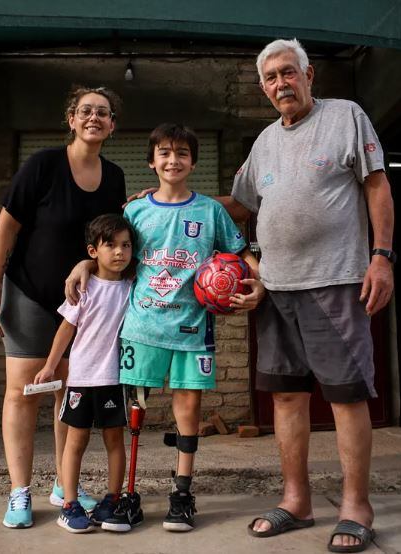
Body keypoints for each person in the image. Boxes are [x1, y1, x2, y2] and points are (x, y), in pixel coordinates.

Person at [220, 39, 394, 553]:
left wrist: (382, 256)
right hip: (275, 289)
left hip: (335, 281)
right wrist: (174, 199)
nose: (280, 84)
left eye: (287, 73)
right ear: (263, 88)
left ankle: (356, 506)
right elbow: (240, 204)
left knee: (345, 396)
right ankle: (296, 500)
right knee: (287, 395)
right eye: (271, 78)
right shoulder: (264, 143)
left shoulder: (346, 117)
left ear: (308, 74)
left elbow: (378, 186)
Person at [66, 123, 265, 533]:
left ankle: (181, 495)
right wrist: (85, 263)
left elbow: (241, 253)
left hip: (193, 329)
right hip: (142, 328)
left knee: (188, 410)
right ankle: (128, 496)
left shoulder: (210, 211)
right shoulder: (135, 211)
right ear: (151, 161)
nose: (173, 160)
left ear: (194, 161)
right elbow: (110, 252)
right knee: (134, 412)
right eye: (165, 153)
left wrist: (260, 284)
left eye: (182, 153)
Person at [0, 85, 127, 528]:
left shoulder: (115, 176)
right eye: (86, 111)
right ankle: (19, 491)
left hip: (81, 301)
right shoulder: (43, 164)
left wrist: (88, 260)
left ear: (112, 125)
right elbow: (6, 226)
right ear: (72, 119)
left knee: (69, 390)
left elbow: (104, 239)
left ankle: (65, 484)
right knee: (23, 392)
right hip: (28, 292)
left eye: (103, 112)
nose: (94, 118)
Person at [33, 213, 134, 533]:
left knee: (115, 441)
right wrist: (50, 365)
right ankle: (69, 503)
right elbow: (66, 329)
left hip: (114, 381)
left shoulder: (133, 288)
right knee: (75, 443)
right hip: (80, 379)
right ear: (93, 252)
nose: (120, 252)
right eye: (111, 246)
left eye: (126, 245)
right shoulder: (84, 286)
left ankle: (113, 500)